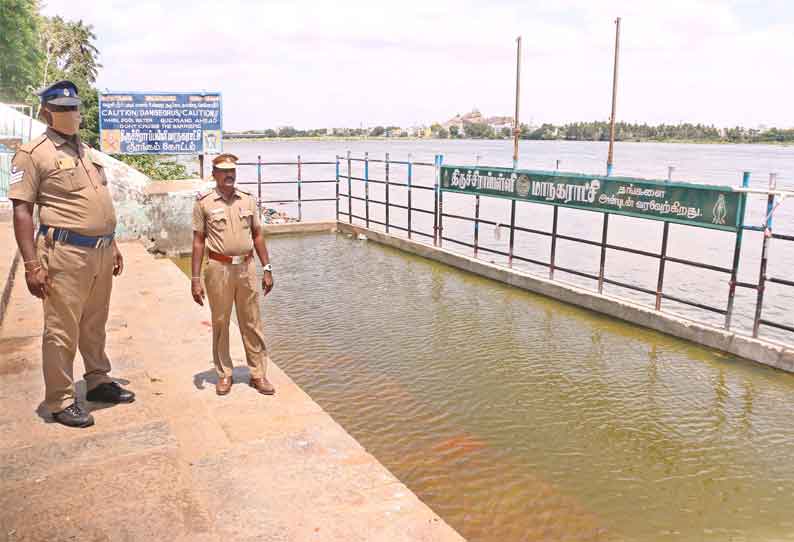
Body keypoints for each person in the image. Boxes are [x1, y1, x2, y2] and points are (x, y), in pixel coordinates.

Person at [9, 80, 135, 428]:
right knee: (61, 329)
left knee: (95, 323)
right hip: (64, 253)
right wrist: (32, 265)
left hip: (100, 251)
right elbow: (22, 211)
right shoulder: (33, 154)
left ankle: (97, 381)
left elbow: (98, 202)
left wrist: (113, 244)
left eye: (75, 108)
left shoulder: (86, 152)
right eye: (63, 109)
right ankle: (61, 399)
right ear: (46, 112)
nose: (72, 114)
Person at [191, 153, 276, 396]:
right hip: (218, 268)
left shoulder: (248, 200)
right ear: (214, 174)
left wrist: (267, 268)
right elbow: (198, 241)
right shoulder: (203, 202)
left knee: (252, 321)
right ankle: (224, 373)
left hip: (246, 267)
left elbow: (258, 234)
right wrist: (195, 279)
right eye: (224, 171)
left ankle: (258, 374)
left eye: (233, 171)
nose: (229, 175)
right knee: (220, 321)